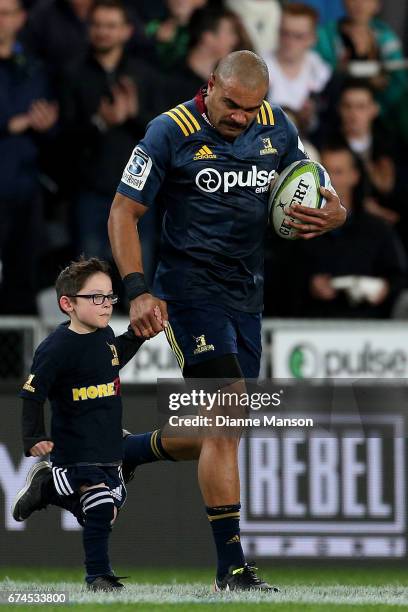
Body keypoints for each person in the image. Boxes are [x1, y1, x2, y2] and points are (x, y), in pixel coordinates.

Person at [108, 50, 346, 590]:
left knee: (227, 425)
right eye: (232, 105)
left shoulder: (275, 124)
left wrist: (338, 212)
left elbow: (317, 181)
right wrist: (138, 291)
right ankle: (231, 567)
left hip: (247, 294)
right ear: (211, 84)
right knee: (231, 407)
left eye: (250, 107)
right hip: (188, 293)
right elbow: (124, 211)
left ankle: (129, 449)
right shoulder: (169, 131)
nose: (240, 117)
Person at [13, 257, 145, 590]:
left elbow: (113, 358)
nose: (106, 304)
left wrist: (137, 336)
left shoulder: (106, 335)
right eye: (96, 297)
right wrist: (33, 436)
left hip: (106, 445)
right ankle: (98, 576)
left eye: (110, 296)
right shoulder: (56, 348)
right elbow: (32, 394)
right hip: (74, 449)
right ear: (68, 304)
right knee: (99, 506)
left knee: (103, 512)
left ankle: (46, 488)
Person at [58, 0, 162, 261]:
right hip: (89, 194)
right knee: (89, 284)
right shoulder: (71, 74)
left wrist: (132, 115)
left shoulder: (145, 75)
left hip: (137, 194)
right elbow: (63, 139)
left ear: (127, 31)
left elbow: (162, 135)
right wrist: (100, 123)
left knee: (139, 285)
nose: (103, 31)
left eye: (111, 26)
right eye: (97, 25)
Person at [298, 142, 406, 318]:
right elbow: (281, 277)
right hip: (313, 324)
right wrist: (309, 285)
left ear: (354, 176)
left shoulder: (378, 230)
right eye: (326, 172)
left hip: (368, 332)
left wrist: (385, 289)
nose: (331, 179)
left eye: (338, 172)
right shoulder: (302, 226)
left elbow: (399, 278)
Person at [0, 0, 58, 314]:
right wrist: (10, 123)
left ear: (21, 18)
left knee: (23, 276)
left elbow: (50, 120)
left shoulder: (34, 67)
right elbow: (19, 120)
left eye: (6, 13)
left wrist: (48, 124)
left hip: (25, 186)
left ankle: (16, 359)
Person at [265, 3, 331, 135]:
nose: (289, 42)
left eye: (298, 36)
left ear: (312, 39)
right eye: (285, 34)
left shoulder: (321, 72)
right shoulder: (259, 66)